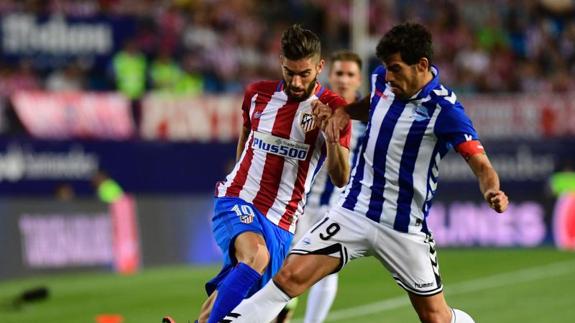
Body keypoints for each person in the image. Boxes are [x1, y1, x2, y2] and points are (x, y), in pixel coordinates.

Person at [223, 22, 509, 323]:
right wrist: (345, 111)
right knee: (288, 279)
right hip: (354, 212)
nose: (389, 76)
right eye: (386, 68)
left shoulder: (446, 111)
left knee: (435, 317)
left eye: (396, 69)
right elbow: (372, 105)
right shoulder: (382, 81)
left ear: (422, 65)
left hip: (403, 229)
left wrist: (492, 190)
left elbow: (481, 164)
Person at [166, 24, 352, 323]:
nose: (295, 80)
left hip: (282, 223)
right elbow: (244, 145)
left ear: (320, 66)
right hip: (237, 200)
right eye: (290, 71)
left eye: (304, 73)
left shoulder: (334, 108)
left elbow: (341, 177)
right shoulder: (257, 94)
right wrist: (237, 186)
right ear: (281, 61)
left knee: (244, 295)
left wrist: (331, 133)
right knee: (257, 257)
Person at [278, 50, 366, 323]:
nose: (344, 79)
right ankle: (281, 310)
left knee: (326, 269)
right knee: (285, 265)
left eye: (350, 74)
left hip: (338, 207)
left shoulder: (368, 119)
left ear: (359, 79)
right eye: (339, 73)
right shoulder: (315, 107)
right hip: (301, 204)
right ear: (330, 74)